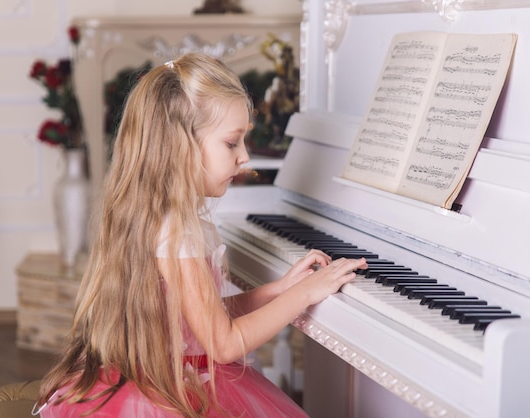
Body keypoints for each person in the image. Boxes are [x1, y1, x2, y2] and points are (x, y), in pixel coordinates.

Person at [35, 53, 367, 417]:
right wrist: (307, 294)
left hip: (171, 372)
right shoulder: (177, 232)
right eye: (231, 143)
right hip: (174, 389)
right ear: (181, 146)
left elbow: (201, 319)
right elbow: (223, 344)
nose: (244, 158)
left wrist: (281, 288)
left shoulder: (166, 217)